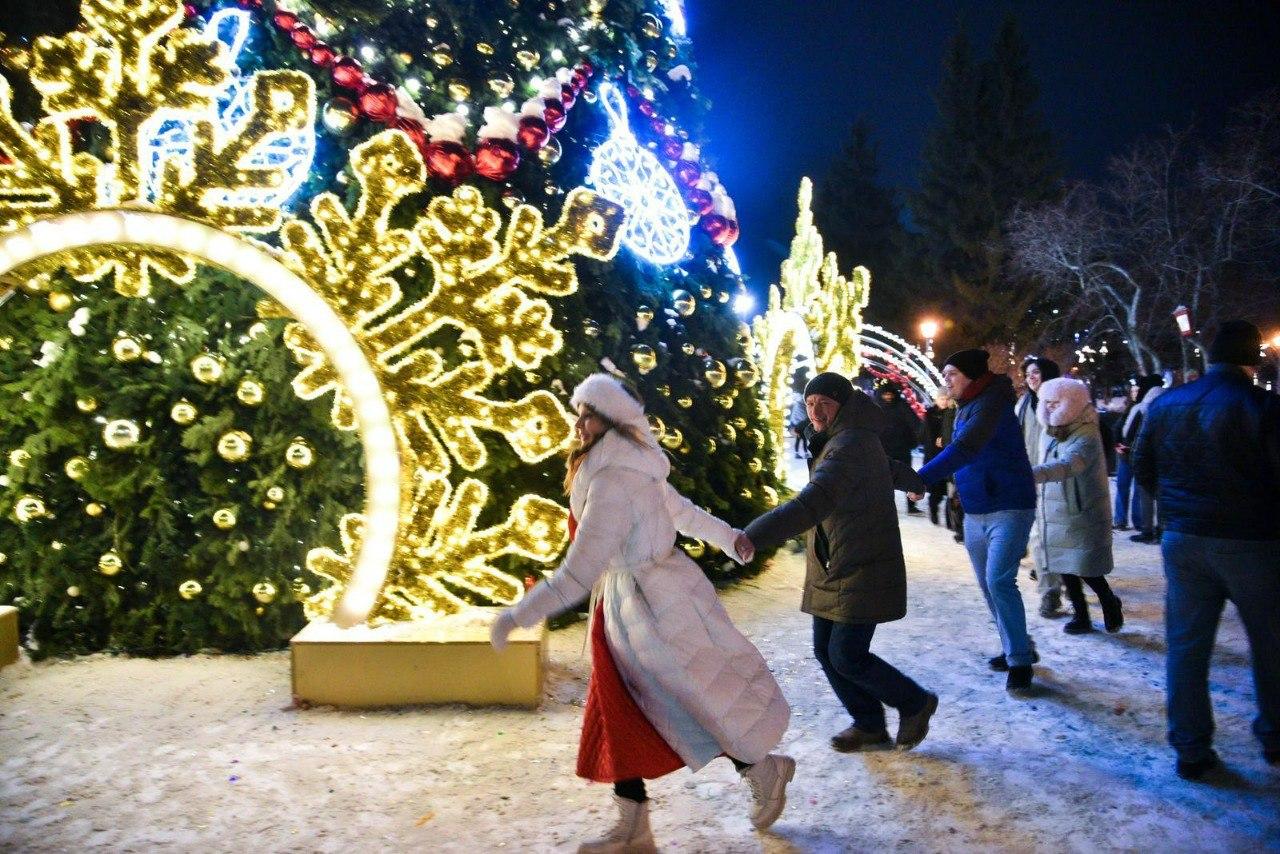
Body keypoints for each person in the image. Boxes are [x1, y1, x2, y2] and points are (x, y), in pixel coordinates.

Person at [489, 373, 794, 849]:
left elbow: (579, 571)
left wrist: (518, 615)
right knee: (625, 713)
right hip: (628, 606)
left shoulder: (614, 480)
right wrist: (729, 538)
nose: (579, 424)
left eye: (589, 416)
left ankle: (757, 770)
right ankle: (639, 823)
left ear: (613, 421)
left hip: (643, 608)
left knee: (678, 702)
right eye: (580, 414)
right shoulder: (624, 465)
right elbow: (682, 512)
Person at [740, 372, 939, 753]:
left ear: (843, 406)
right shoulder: (844, 437)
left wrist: (753, 535)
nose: (815, 412)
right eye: (810, 404)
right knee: (827, 651)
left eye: (825, 404)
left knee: (846, 654)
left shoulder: (849, 443)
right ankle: (869, 724)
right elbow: (885, 467)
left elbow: (812, 503)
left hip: (861, 560)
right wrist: (912, 481)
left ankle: (914, 702)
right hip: (836, 558)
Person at [1132, 321, 1280, 781]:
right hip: (1253, 541)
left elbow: (1142, 465)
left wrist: (1175, 508)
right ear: (1251, 359)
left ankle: (1191, 747)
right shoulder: (1262, 406)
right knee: (1270, 644)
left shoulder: (1166, 404)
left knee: (1187, 647)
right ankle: (1275, 736)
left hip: (1184, 539)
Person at [912, 349, 1039, 693]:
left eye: (951, 374)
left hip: (1009, 505)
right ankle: (1017, 645)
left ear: (971, 375)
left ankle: (1020, 662)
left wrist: (921, 479)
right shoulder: (966, 406)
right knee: (988, 585)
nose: (946, 381)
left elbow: (965, 448)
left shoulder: (992, 404)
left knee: (999, 581)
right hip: (975, 508)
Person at [1029, 378, 1124, 635]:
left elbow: (1070, 465)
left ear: (1072, 403)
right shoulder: (1051, 431)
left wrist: (1031, 474)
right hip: (1054, 510)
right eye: (1046, 402)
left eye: (1056, 403)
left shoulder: (1087, 433)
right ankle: (1081, 615)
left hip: (1081, 510)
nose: (1050, 408)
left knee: (1086, 567)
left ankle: (1109, 601)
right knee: (1064, 566)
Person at [1018, 356, 1065, 619]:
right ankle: (1050, 591)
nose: (1030, 378)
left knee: (1060, 536)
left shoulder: (1062, 401)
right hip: (1031, 477)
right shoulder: (1024, 403)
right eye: (1027, 374)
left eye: (1035, 372)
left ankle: (1066, 581)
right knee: (1039, 536)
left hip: (1059, 477)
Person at [1122, 375, 1165, 543]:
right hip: (1166, 457)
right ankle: (1162, 529)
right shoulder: (1170, 403)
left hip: (1145, 456)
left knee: (1145, 493)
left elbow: (1127, 432)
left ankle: (1146, 530)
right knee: (1162, 495)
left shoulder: (1141, 407)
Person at [877, 384, 923, 515]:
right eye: (885, 395)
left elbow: (915, 423)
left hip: (902, 448)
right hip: (883, 449)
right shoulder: (876, 407)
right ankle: (884, 506)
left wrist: (915, 439)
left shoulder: (902, 406)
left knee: (907, 476)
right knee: (883, 479)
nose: (888, 397)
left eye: (890, 394)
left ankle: (911, 505)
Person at [920, 389, 954, 526]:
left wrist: (945, 440)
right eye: (942, 399)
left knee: (950, 490)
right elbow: (926, 435)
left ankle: (950, 519)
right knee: (936, 489)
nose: (944, 401)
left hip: (948, 455)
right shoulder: (930, 414)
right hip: (933, 455)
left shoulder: (952, 413)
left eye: (946, 399)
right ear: (936, 399)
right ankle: (933, 511)